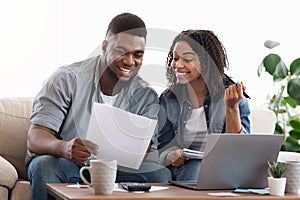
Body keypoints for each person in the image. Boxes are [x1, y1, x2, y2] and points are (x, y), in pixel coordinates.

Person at [26, 12, 171, 200]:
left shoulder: (146, 96)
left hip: (115, 170)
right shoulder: (67, 79)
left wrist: (141, 149)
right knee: (43, 166)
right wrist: (65, 147)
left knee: (161, 175)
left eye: (137, 55)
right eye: (122, 51)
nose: (129, 61)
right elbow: (35, 136)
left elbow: (144, 148)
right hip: (67, 164)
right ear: (105, 47)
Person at [156, 30, 250, 181]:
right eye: (175, 58)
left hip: (222, 168)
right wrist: (172, 155)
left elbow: (239, 152)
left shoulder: (233, 96)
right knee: (188, 169)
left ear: (207, 62)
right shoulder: (168, 99)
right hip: (186, 169)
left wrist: (231, 108)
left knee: (198, 169)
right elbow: (164, 148)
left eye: (187, 59)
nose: (177, 65)